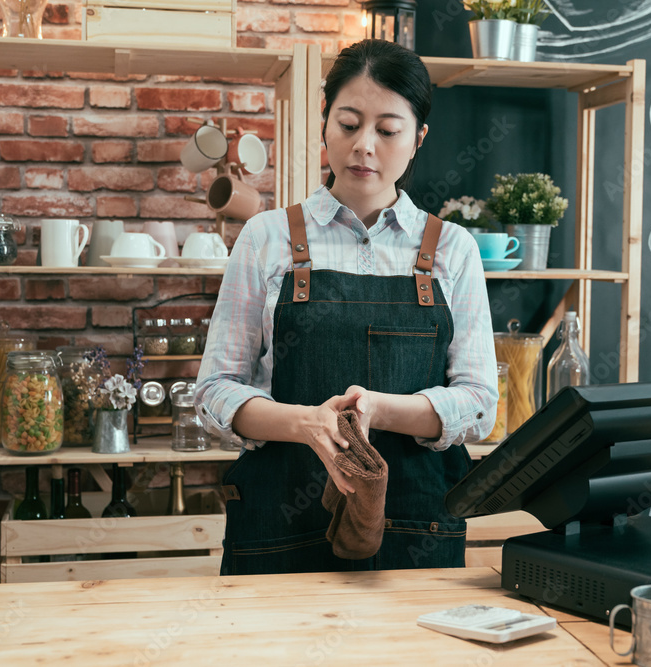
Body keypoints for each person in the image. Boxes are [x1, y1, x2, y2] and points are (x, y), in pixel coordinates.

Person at [195, 39, 498, 576]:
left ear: (418, 139)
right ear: (324, 125)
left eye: (387, 130)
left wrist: (379, 411)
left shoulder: (453, 249)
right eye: (349, 123)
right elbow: (215, 390)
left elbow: (478, 404)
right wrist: (308, 424)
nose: (364, 146)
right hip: (277, 532)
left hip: (416, 534)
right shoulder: (266, 238)